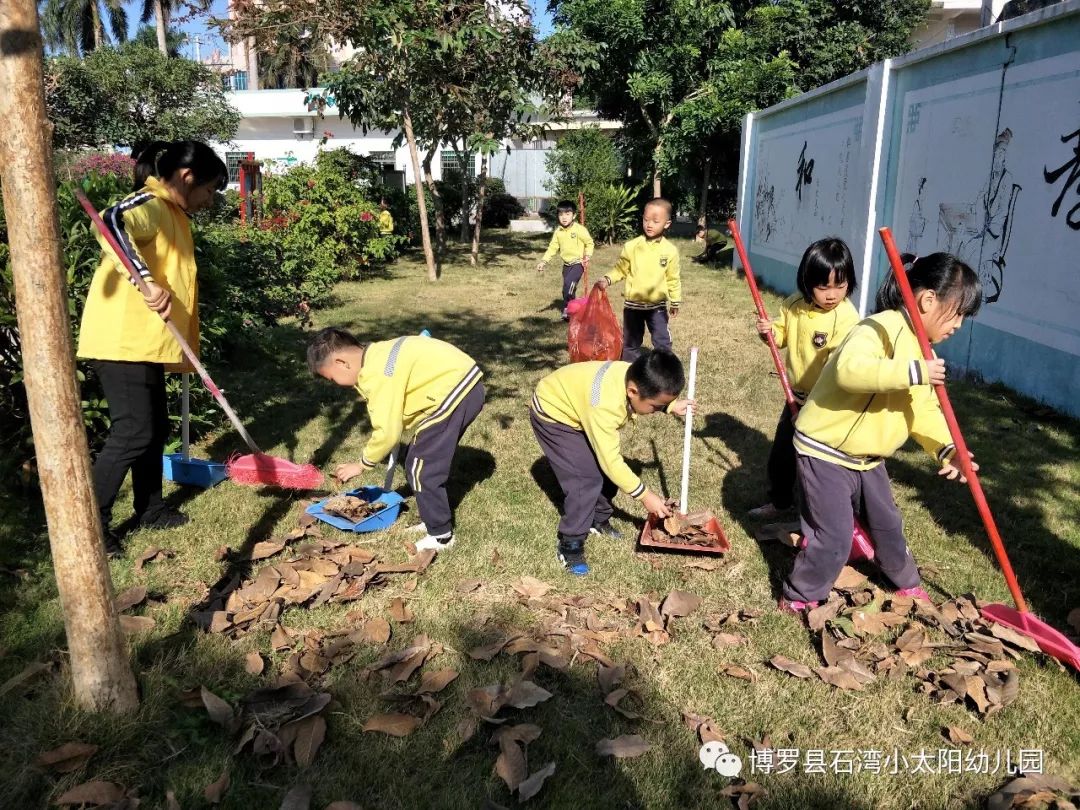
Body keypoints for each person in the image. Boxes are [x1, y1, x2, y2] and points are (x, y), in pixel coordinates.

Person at [780, 253, 982, 613]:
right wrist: (914, 371)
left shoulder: (924, 352)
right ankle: (801, 593)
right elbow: (850, 371)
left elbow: (922, 409)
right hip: (825, 450)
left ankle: (905, 582)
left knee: (888, 526)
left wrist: (948, 449)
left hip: (869, 458)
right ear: (929, 300)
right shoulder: (878, 328)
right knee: (833, 536)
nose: (960, 325)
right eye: (959, 313)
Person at [77, 140, 227, 553]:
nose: (209, 200)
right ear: (187, 177)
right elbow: (108, 221)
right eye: (210, 189)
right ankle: (92, 525)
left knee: (155, 429)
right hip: (121, 340)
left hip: (146, 344)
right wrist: (144, 278)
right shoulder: (150, 202)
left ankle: (150, 508)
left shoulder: (173, 213)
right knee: (133, 431)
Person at [307, 327, 485, 552]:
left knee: (422, 468)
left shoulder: (378, 375)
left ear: (342, 363)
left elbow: (388, 432)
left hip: (455, 392)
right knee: (416, 460)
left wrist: (362, 464)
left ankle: (441, 536)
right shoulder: (377, 353)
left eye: (332, 379)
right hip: (459, 383)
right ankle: (431, 518)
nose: (337, 385)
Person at [531, 349, 694, 575]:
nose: (657, 411)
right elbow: (611, 462)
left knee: (606, 471)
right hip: (553, 413)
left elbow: (649, 396)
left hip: (580, 408)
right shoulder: (604, 405)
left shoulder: (633, 375)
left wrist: (669, 406)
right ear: (632, 391)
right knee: (585, 480)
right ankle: (571, 544)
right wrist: (645, 495)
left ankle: (598, 519)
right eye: (657, 406)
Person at [749, 238, 860, 520]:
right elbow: (781, 338)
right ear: (807, 281)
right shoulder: (793, 305)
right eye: (823, 287)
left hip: (826, 404)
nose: (832, 294)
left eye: (840, 285)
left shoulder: (847, 318)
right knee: (782, 455)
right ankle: (781, 501)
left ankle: (821, 512)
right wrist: (768, 332)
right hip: (794, 396)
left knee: (817, 462)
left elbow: (841, 368)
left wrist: (812, 409)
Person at [598, 198, 681, 361]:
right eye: (646, 219)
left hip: (657, 307)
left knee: (662, 341)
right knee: (630, 343)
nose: (649, 224)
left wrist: (675, 301)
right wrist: (607, 279)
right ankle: (628, 371)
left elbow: (673, 278)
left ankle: (664, 370)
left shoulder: (670, 251)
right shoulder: (632, 246)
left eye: (655, 221)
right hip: (633, 307)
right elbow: (620, 269)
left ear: (667, 224)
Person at [536, 199, 594, 320]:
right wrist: (543, 261)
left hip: (578, 264)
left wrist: (587, 256)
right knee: (566, 290)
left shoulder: (579, 229)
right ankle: (571, 309)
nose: (564, 217)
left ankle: (569, 310)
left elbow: (589, 243)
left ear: (574, 215)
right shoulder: (558, 232)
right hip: (566, 266)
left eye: (567, 214)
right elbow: (552, 248)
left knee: (569, 286)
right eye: (561, 214)